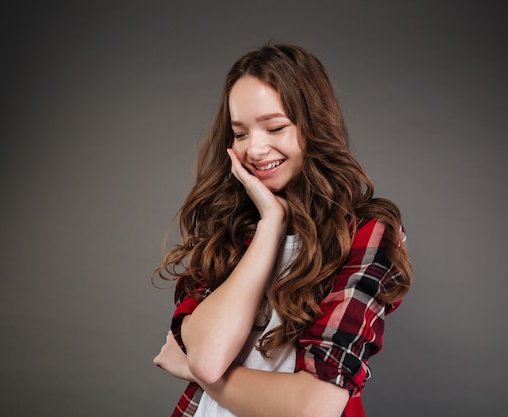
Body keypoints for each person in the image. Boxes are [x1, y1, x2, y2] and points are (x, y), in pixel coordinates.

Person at [153, 43, 412, 417]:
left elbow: (314, 405)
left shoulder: (367, 232)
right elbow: (208, 358)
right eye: (240, 134)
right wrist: (270, 225)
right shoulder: (231, 226)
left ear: (314, 126)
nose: (255, 149)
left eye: (275, 127)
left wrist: (192, 368)